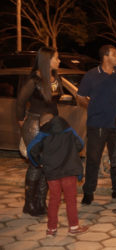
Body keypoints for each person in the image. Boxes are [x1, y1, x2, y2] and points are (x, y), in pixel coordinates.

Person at [77, 45, 116, 205]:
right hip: (97, 124)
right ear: (106, 57)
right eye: (115, 54)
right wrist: (93, 107)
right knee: (93, 159)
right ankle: (88, 192)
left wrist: (113, 108)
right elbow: (80, 97)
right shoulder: (92, 75)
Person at [16, 46, 62, 216]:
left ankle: (41, 202)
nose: (59, 60)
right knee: (36, 164)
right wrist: (22, 121)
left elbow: (55, 102)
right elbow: (20, 102)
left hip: (52, 126)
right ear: (46, 60)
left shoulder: (56, 78)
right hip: (35, 125)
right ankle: (29, 204)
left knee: (47, 165)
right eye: (56, 58)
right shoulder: (34, 80)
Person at [27, 114, 88, 236]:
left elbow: (31, 149)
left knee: (54, 199)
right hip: (69, 170)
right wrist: (70, 152)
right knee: (70, 199)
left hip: (52, 171)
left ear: (43, 123)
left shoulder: (43, 133)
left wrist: (39, 163)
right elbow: (80, 144)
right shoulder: (68, 129)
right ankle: (74, 227)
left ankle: (51, 229)